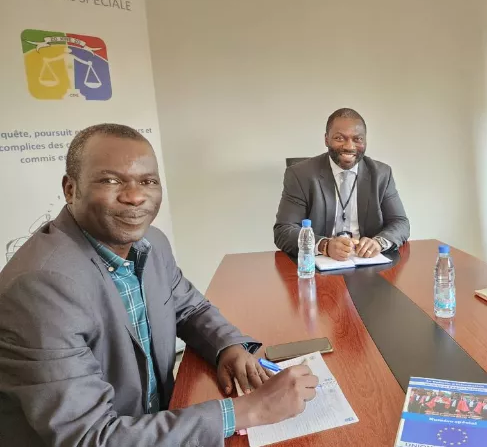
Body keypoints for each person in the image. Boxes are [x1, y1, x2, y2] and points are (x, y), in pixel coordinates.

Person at [0, 124, 319, 446]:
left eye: (148, 181)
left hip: (156, 421)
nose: (135, 196)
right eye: (111, 180)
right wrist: (245, 411)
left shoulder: (150, 242)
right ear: (70, 189)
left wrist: (229, 347)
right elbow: (89, 437)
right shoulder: (40, 288)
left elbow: (190, 307)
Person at [274, 108, 410, 261]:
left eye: (357, 139)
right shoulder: (301, 174)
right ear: (326, 139)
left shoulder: (381, 174)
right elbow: (283, 231)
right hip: (319, 267)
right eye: (339, 138)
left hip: (367, 263)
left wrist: (378, 243)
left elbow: (400, 223)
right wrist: (324, 245)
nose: (349, 146)